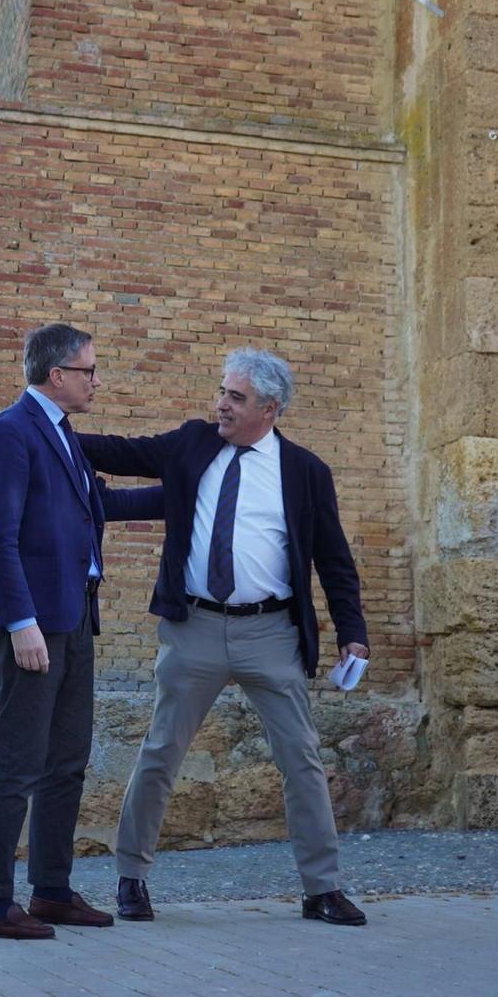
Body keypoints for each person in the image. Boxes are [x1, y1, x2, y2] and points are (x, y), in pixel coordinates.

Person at [78, 348, 372, 927]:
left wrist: (352, 633)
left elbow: (335, 560)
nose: (221, 405)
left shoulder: (306, 471)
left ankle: (322, 889)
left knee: (302, 760)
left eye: (235, 398)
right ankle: (131, 879)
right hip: (196, 629)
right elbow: (121, 450)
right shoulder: (193, 444)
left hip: (272, 632)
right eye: (221, 392)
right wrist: (48, 424)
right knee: (161, 751)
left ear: (270, 408)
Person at [0, 324, 160, 938]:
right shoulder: (9, 433)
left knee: (67, 760)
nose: (96, 380)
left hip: (75, 619)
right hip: (33, 625)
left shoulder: (63, 436)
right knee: (17, 760)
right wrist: (22, 624)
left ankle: (50, 890)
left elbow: (101, 507)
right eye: (89, 370)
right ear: (57, 376)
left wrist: (188, 491)